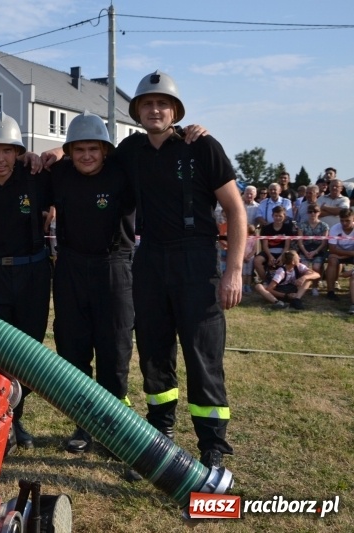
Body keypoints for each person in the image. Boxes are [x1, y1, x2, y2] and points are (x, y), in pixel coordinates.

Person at [114, 70, 246, 470]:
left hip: (197, 259)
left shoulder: (202, 146)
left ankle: (212, 446)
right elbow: (88, 156)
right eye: (147, 104)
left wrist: (234, 271)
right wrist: (49, 153)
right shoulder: (130, 150)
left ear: (175, 111)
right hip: (151, 258)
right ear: (137, 111)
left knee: (202, 354)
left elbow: (236, 209)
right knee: (154, 351)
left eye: (162, 104)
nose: (155, 110)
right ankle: (160, 434)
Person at [42, 113, 136, 458]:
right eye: (78, 149)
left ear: (105, 150)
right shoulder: (60, 174)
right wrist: (47, 153)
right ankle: (84, 424)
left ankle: (116, 429)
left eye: (93, 149)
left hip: (113, 266)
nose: (86, 156)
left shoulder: (123, 173)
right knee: (72, 348)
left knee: (114, 349)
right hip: (69, 266)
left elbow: (149, 149)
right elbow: (38, 163)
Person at [0, 112, 50, 452]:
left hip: (32, 271)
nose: (1, 159)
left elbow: (74, 160)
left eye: (8, 151)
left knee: (27, 350)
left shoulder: (36, 178)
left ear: (18, 153)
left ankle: (17, 416)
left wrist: (51, 154)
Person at [252, 250, 319, 310]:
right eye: (298, 257)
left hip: (291, 289)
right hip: (279, 291)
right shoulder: (281, 272)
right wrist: (286, 295)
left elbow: (317, 274)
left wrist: (304, 277)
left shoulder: (299, 266)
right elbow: (270, 289)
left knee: (308, 278)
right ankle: (277, 302)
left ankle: (296, 300)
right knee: (258, 286)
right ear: (293, 262)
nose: (300, 258)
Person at [253, 205, 297, 283]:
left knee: (291, 260)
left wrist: (281, 257)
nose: (278, 218)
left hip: (283, 251)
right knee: (257, 260)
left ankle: (285, 281)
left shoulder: (288, 228)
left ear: (284, 216)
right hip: (269, 251)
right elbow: (265, 245)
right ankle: (266, 281)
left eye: (280, 216)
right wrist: (270, 256)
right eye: (276, 216)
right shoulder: (266, 228)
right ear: (272, 216)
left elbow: (287, 246)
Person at [296, 203, 328, 296]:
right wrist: (305, 252)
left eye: (315, 211)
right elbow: (300, 240)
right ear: (307, 213)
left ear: (319, 213)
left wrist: (316, 251)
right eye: (310, 212)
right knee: (303, 267)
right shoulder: (302, 225)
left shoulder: (324, 225)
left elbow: (324, 242)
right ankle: (302, 286)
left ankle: (315, 286)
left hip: (318, 250)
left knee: (316, 267)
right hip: (304, 249)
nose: (313, 213)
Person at [325, 208, 354, 300]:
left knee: (333, 257)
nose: (344, 223)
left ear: (353, 219)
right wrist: (349, 253)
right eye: (342, 220)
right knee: (332, 259)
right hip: (341, 253)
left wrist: (346, 254)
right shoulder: (334, 228)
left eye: (347, 221)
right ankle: (330, 291)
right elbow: (332, 249)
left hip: (344, 253)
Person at [242, 224, 258, 294]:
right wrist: (244, 257)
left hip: (250, 258)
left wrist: (249, 256)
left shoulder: (254, 239)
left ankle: (248, 286)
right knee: (243, 273)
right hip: (242, 257)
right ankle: (242, 286)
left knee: (249, 273)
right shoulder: (242, 238)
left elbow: (254, 249)